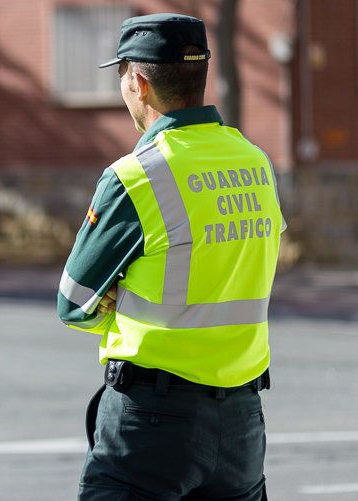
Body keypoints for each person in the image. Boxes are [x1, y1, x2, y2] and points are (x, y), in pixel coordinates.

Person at [56, 13, 284, 500]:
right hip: (242, 422)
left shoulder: (136, 175)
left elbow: (73, 302)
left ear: (138, 83)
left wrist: (116, 300)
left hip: (151, 423)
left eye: (122, 76)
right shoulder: (256, 162)